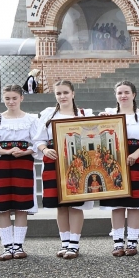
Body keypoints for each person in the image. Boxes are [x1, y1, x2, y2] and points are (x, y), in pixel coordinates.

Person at [34, 80, 94, 259]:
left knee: (75, 205)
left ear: (73, 93)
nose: (62, 96)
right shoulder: (47, 115)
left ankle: (74, 244)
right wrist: (45, 149)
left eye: (65, 92)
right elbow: (38, 140)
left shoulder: (84, 114)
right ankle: (65, 242)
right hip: (54, 161)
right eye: (59, 93)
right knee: (60, 205)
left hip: (77, 163)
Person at [100, 80, 139, 257]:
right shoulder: (108, 114)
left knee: (133, 204)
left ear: (134, 94)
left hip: (136, 160)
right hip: (113, 161)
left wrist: (137, 153)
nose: (123, 96)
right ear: (115, 96)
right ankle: (118, 242)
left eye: (126, 92)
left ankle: (132, 241)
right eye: (119, 93)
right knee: (116, 204)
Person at [0, 84, 42, 260]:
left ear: (21, 98)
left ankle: (18, 246)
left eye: (14, 98)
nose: (11, 101)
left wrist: (25, 152)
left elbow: (39, 142)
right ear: (3, 99)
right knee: (2, 207)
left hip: (23, 163)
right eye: (7, 98)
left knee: (22, 206)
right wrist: (7, 152)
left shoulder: (32, 120)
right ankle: (7, 247)